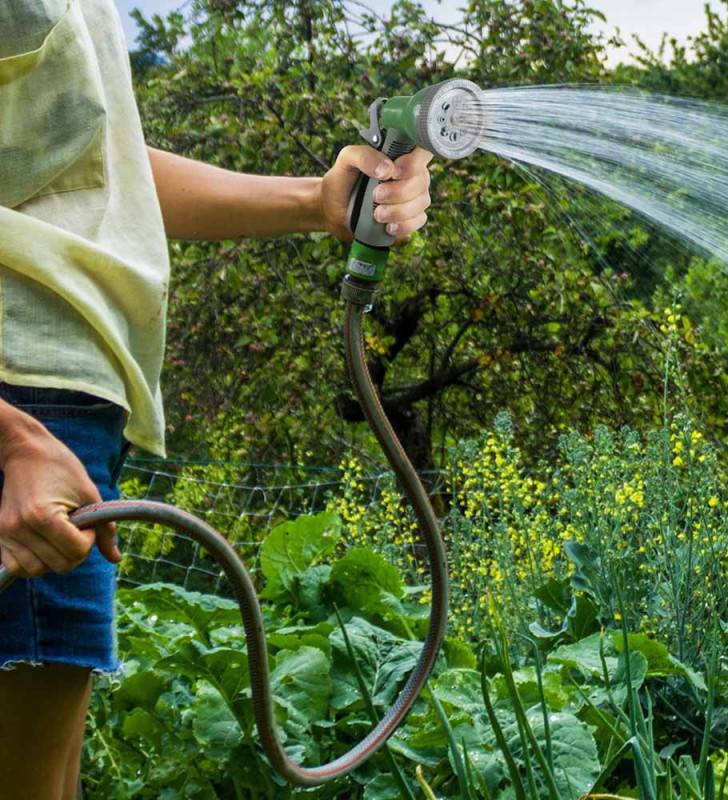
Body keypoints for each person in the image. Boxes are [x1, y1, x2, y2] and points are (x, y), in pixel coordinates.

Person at [0, 1, 433, 797]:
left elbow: (99, 174)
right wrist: (11, 441)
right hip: (26, 406)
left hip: (65, 414)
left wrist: (316, 201)